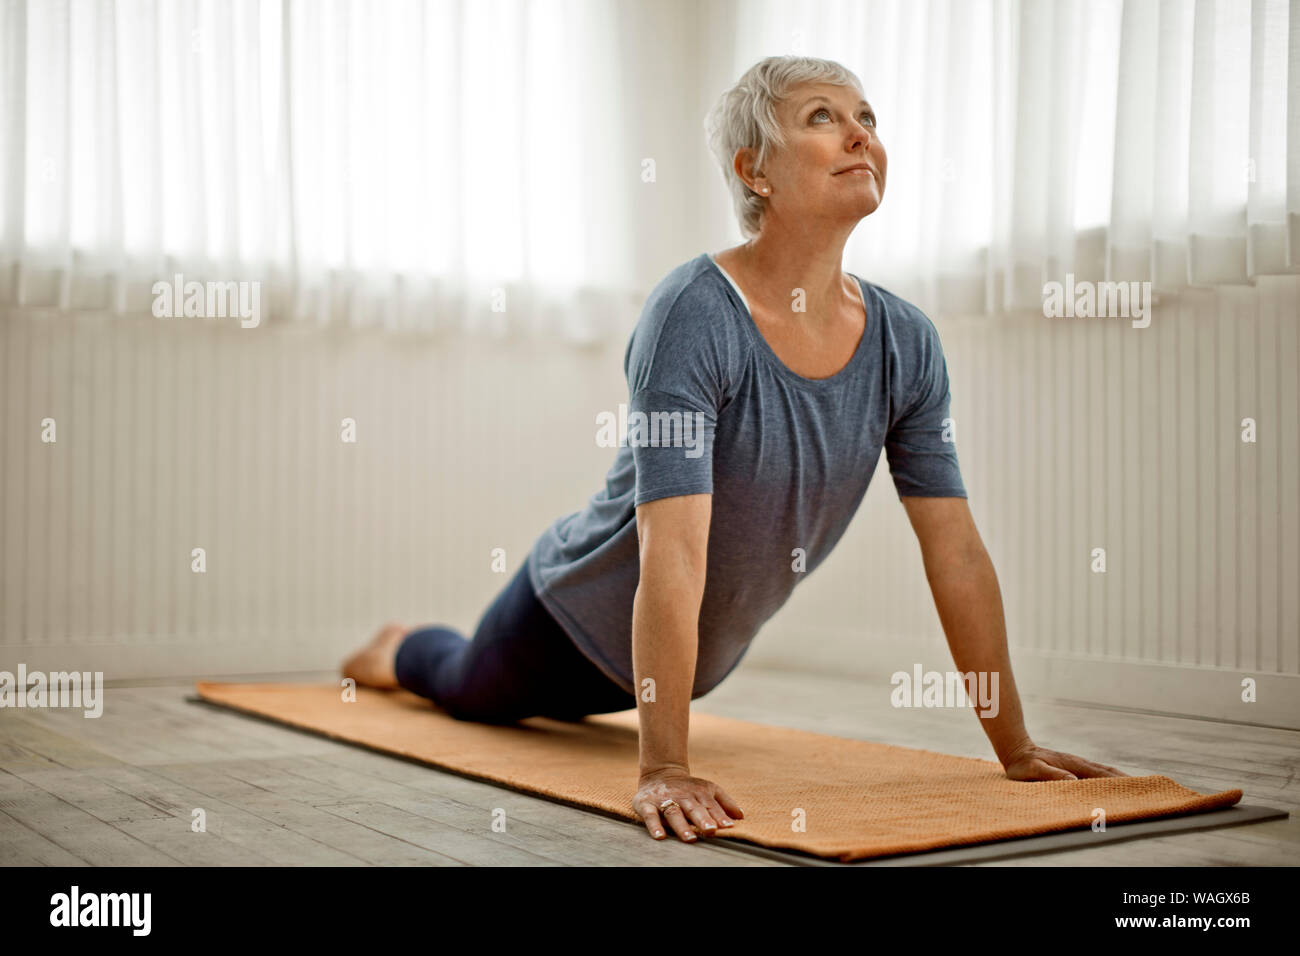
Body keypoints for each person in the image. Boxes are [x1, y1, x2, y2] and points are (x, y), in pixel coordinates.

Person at [342, 54, 1126, 847]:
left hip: (692, 662)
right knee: (462, 685)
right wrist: (663, 768)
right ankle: (395, 649)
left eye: (868, 117)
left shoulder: (906, 343)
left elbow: (954, 549)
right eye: (823, 116)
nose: (860, 133)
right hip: (567, 619)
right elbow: (673, 552)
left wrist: (1014, 746)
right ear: (755, 170)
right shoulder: (694, 312)